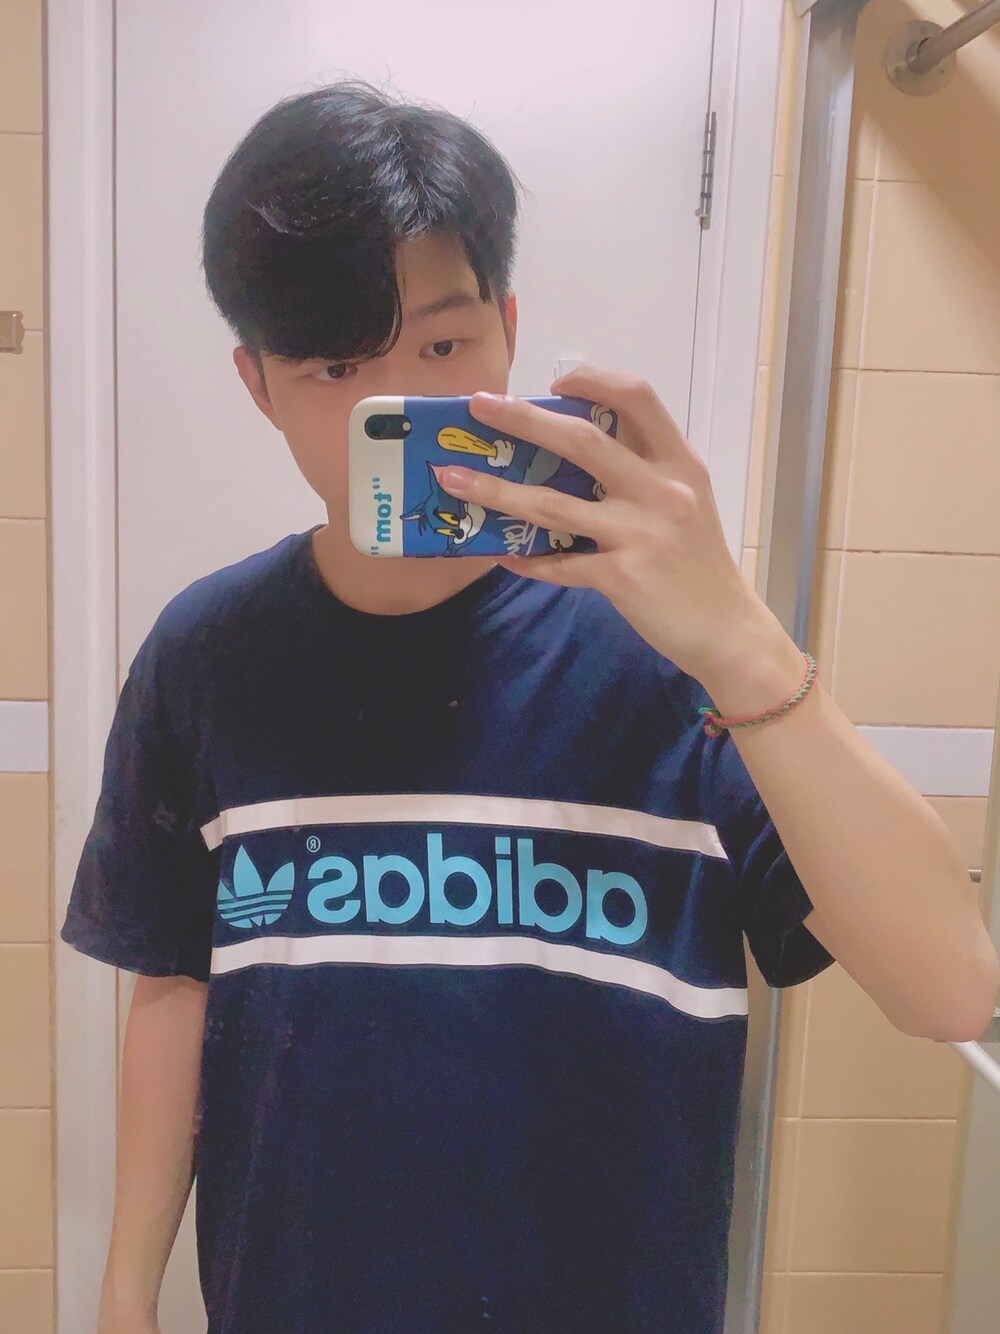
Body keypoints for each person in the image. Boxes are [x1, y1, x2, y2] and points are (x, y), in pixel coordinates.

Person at [61, 80, 998, 1334]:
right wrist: (124, 1290)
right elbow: (178, 982)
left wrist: (737, 637)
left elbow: (950, 992)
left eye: (443, 349)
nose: (403, 407)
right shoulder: (206, 651)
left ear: (507, 332)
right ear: (258, 384)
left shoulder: (671, 650)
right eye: (336, 365)